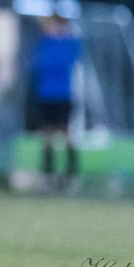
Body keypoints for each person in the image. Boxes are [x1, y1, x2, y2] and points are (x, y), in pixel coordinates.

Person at [28, 14, 81, 192]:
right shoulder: (43, 44)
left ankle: (71, 174)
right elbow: (38, 67)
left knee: (67, 136)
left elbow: (65, 63)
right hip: (45, 96)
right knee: (47, 137)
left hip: (63, 96)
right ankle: (48, 175)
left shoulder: (68, 43)